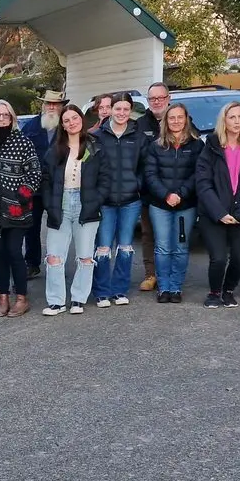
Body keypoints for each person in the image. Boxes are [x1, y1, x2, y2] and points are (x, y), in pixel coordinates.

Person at [0, 99, 43, 317]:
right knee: (0, 253)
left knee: (14, 251)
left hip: (18, 210)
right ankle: (3, 297)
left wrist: (24, 193)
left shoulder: (23, 142)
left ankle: (21, 298)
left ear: (12, 118)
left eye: (5, 115)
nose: (1, 118)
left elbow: (35, 172)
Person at [194, 101, 240, 308]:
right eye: (232, 117)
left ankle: (228, 291)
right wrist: (219, 212)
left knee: (239, 258)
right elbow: (203, 182)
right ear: (224, 120)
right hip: (214, 214)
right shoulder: (212, 146)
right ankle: (214, 292)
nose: (236, 121)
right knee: (218, 258)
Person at [41, 103, 105, 316]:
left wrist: (96, 200)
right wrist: (51, 205)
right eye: (66, 120)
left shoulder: (95, 147)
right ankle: (56, 301)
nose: (71, 123)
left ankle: (78, 298)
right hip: (61, 203)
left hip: (86, 203)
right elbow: (47, 181)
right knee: (54, 256)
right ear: (63, 125)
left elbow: (105, 179)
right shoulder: (55, 150)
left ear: (81, 119)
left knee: (85, 255)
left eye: (74, 118)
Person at [91, 93, 147, 308]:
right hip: (105, 202)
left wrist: (137, 185)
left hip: (130, 200)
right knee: (103, 246)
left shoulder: (138, 135)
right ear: (110, 110)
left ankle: (119, 290)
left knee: (125, 246)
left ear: (130, 110)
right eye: (118, 109)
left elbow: (144, 166)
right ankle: (102, 291)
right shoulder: (98, 136)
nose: (122, 113)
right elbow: (92, 168)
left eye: (126, 109)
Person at [143, 102, 202, 303]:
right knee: (162, 247)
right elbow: (150, 175)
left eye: (180, 117)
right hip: (160, 204)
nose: (176, 121)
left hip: (186, 204)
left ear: (186, 120)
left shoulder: (196, 145)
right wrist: (167, 195)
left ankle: (176, 288)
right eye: (172, 117)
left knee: (181, 247)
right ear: (166, 121)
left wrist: (181, 194)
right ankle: (164, 287)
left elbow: (198, 174)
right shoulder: (156, 146)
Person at [21, 89, 65, 278]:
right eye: (48, 103)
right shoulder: (30, 126)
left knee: (60, 226)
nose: (52, 107)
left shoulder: (67, 126)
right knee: (31, 227)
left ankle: (59, 261)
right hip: (35, 188)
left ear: (61, 107)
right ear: (43, 105)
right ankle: (32, 263)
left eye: (56, 104)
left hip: (59, 188)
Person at [134, 82, 172, 291]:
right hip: (149, 191)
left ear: (169, 98)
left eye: (160, 97)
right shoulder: (140, 125)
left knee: (171, 236)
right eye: (152, 99)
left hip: (175, 192)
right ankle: (151, 274)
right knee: (149, 234)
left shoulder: (182, 121)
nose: (157, 102)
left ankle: (170, 274)